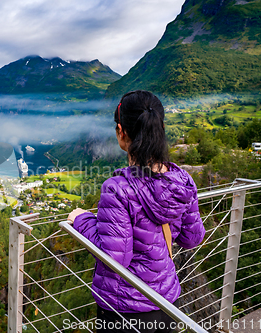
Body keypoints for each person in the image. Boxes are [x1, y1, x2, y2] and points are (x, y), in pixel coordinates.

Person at [67, 90, 205, 333]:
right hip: (166, 303)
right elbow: (192, 238)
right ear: (160, 127)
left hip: (124, 310)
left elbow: (115, 259)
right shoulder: (182, 181)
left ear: (121, 132)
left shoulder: (118, 189)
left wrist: (82, 220)